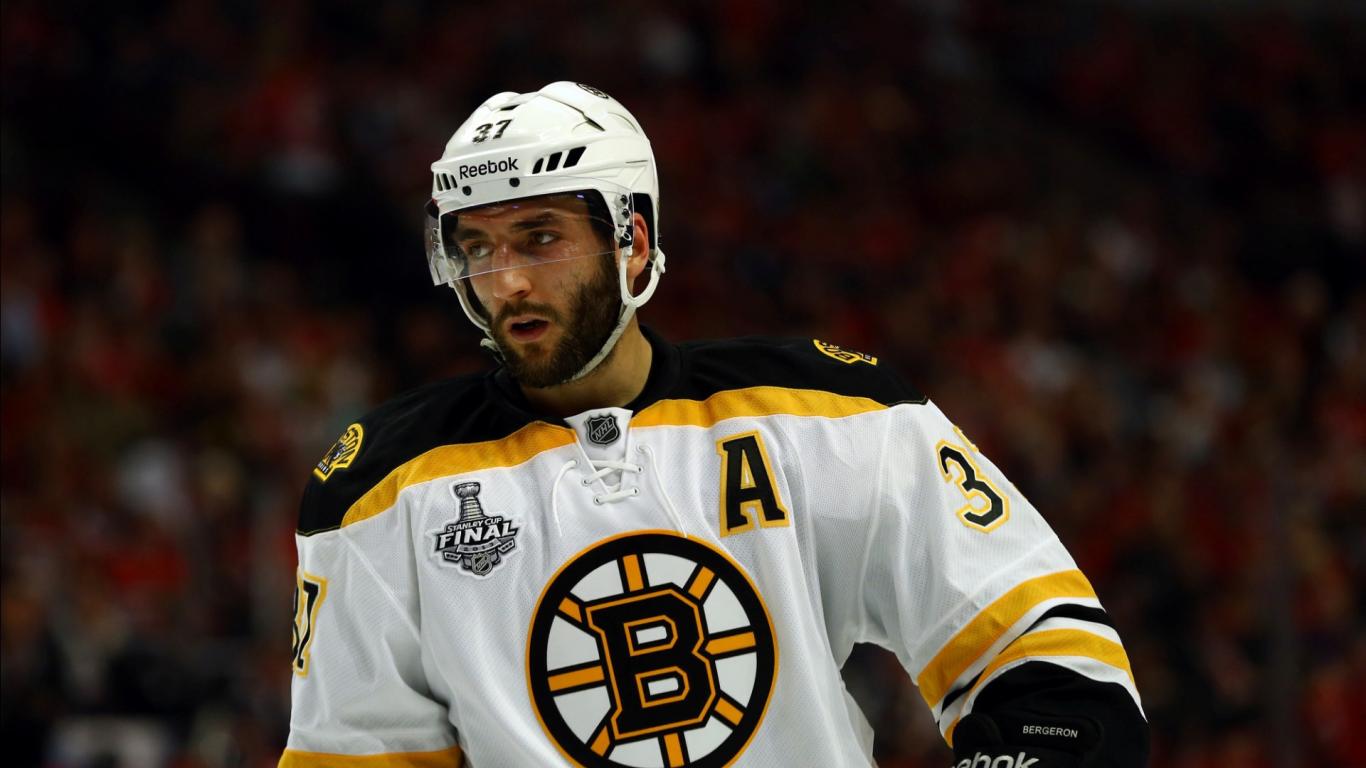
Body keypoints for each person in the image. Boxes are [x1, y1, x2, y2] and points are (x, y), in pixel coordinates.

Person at [280, 82, 1149, 768]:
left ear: (633, 238)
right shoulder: (378, 491)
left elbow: (1050, 659)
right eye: (477, 246)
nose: (506, 281)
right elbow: (354, 756)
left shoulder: (830, 415)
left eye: (540, 238)